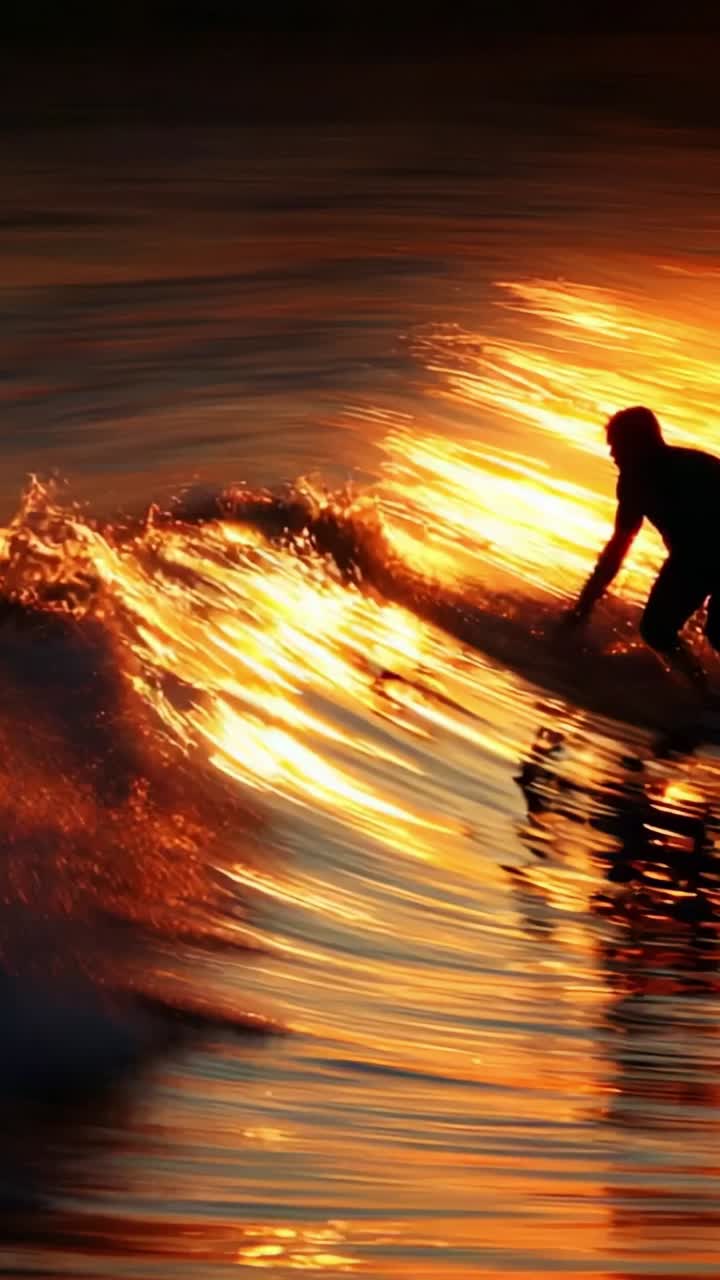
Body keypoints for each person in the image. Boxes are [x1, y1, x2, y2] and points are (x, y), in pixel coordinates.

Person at [570, 406, 720, 696]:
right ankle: (704, 693)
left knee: (718, 632)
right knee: (656, 630)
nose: (612, 455)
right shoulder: (631, 484)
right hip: (688, 559)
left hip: (709, 553)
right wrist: (584, 605)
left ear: (641, 442)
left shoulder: (697, 468)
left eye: (617, 446)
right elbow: (618, 546)